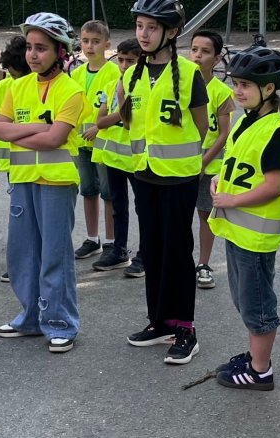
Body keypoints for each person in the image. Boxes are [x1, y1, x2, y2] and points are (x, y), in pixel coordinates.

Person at [121, 0, 209, 365]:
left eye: (152, 27)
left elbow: (201, 126)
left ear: (171, 32)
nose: (143, 34)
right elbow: (129, 120)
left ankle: (185, 328)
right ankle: (159, 321)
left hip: (178, 179)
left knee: (177, 250)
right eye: (140, 26)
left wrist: (182, 159)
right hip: (143, 175)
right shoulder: (131, 74)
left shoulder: (189, 73)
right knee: (152, 249)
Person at [0, 12, 84, 353]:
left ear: (60, 51)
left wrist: (20, 133)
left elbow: (55, 139)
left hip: (56, 184)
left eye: (41, 48)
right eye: (30, 47)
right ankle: (30, 317)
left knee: (54, 256)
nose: (32, 54)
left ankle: (61, 323)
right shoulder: (16, 86)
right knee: (23, 253)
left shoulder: (71, 91)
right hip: (23, 181)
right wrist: (38, 129)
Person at [208, 46, 280, 391]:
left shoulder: (274, 131)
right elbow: (242, 165)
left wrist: (233, 199)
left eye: (245, 85)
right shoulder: (246, 121)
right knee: (244, 301)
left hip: (255, 237)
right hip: (238, 231)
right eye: (236, 84)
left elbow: (274, 185)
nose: (237, 91)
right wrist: (220, 179)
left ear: (268, 88)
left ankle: (260, 370)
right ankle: (255, 356)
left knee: (257, 306)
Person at [71, 20, 123, 264]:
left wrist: (98, 128)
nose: (90, 46)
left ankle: (112, 242)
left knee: (108, 193)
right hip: (80, 143)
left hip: (103, 143)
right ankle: (93, 239)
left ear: (107, 44)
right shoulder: (76, 73)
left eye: (95, 41)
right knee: (88, 191)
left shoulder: (114, 73)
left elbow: (117, 109)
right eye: (85, 41)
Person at [91, 38, 144, 276]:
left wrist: (120, 112)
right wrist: (122, 111)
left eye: (129, 61)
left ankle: (145, 255)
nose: (123, 65)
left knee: (144, 209)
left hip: (137, 159)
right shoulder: (113, 84)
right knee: (118, 207)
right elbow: (100, 121)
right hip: (114, 158)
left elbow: (131, 118)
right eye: (120, 60)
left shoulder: (144, 87)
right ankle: (119, 251)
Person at [190, 30, 235, 289]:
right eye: (194, 49)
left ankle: (203, 264)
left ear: (217, 59)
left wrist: (204, 162)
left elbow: (224, 133)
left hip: (208, 167)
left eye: (205, 52)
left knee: (205, 215)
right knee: (179, 214)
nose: (198, 56)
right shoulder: (180, 85)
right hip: (182, 164)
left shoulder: (220, 91)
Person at [0, 35, 28, 284]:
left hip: (28, 160)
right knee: (20, 213)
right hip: (12, 162)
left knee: (25, 215)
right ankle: (21, 262)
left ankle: (23, 263)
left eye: (14, 73)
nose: (10, 77)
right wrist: (11, 48)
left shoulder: (27, 86)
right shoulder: (7, 84)